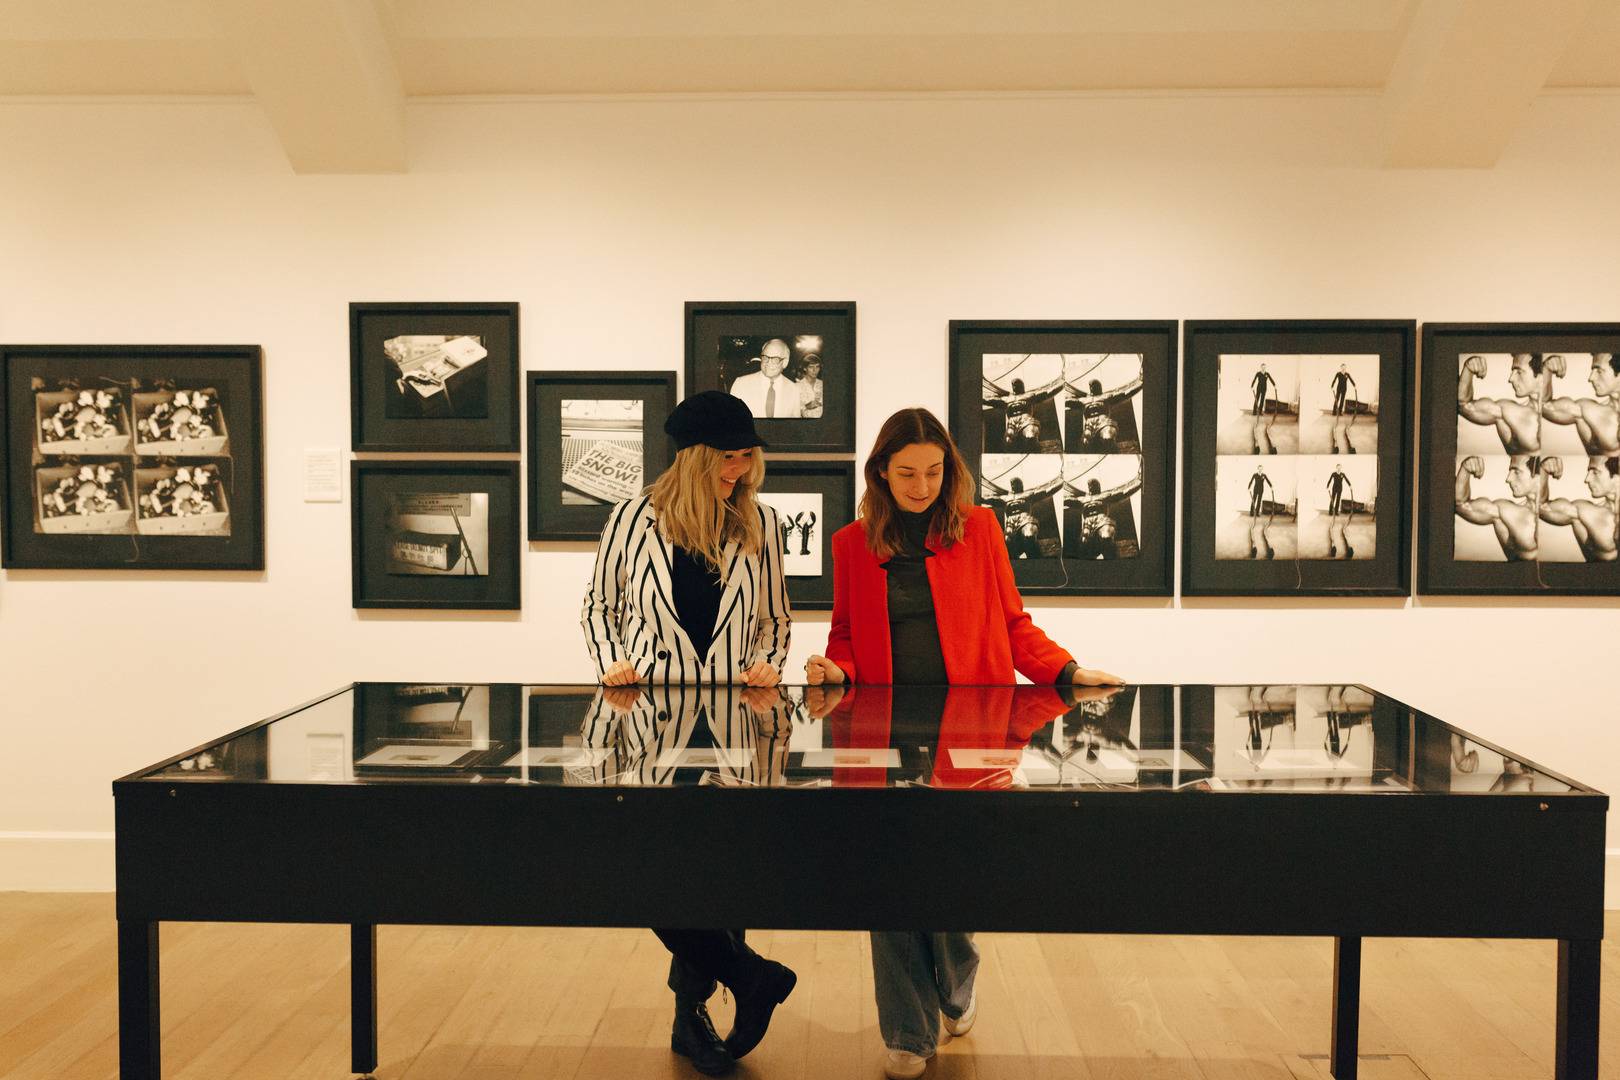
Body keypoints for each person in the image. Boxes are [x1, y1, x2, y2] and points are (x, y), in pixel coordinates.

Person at [799, 407, 1121, 1080]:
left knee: (950, 879)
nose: (922, 487)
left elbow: (1014, 622)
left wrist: (1066, 672)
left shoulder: (980, 530)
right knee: (888, 884)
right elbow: (846, 636)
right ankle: (908, 1034)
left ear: (950, 471)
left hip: (972, 730)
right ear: (880, 473)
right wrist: (836, 670)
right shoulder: (852, 543)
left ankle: (956, 981)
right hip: (883, 733)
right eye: (907, 474)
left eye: (934, 472)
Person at [579, 389, 795, 1076]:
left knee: (722, 872)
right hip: (649, 717)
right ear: (695, 458)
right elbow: (599, 606)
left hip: (736, 717)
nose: (740, 470)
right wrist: (610, 659)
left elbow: (776, 618)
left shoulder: (761, 522)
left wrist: (770, 662)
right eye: (728, 458)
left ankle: (692, 1019)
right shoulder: (630, 519)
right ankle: (748, 975)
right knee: (651, 870)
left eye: (747, 457)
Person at [1454, 454, 1539, 561]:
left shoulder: (1556, 509)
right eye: (1510, 471)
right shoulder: (1506, 512)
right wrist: (1465, 470)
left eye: (1516, 472)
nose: (1508, 479)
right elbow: (1460, 505)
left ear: (1538, 476)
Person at [1458, 353, 1547, 453]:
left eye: (1519, 372)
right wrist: (1468, 369)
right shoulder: (1507, 411)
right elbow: (1463, 405)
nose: (1511, 379)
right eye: (1513, 371)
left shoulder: (1557, 408)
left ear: (1541, 377)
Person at [1537, 455, 1618, 562]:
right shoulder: (1585, 512)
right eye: (1589, 472)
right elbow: (1539, 507)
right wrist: (1542, 470)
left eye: (1595, 472)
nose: (1587, 479)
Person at [1541, 353, 1620, 454]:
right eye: (1593, 371)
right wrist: (1546, 370)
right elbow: (1543, 406)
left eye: (1599, 371)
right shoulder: (1588, 411)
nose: (1591, 378)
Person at [728, 338, 803, 418]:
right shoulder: (741, 384)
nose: (768, 363)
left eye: (775, 359)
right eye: (765, 357)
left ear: (785, 362)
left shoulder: (794, 389)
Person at [1246, 464, 1276, 559]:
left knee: (1259, 502)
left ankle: (1257, 513)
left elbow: (1268, 481)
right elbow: (1251, 481)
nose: (1260, 470)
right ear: (1257, 469)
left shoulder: (1264, 475)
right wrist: (1249, 487)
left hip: (1261, 490)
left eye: (1261, 469)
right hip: (1255, 489)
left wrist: (1271, 486)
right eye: (1259, 469)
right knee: (1253, 501)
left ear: (1262, 469)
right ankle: (1252, 512)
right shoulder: (1255, 475)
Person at [1324, 463, 1354, 559]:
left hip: (1340, 489)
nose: (1339, 469)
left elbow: (1347, 480)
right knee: (1332, 500)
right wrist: (1327, 486)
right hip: (1334, 488)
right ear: (1336, 468)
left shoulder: (1342, 474)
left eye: (1340, 468)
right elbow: (1329, 480)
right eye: (1338, 467)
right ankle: (1331, 511)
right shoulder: (1333, 474)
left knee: (1338, 501)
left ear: (1341, 468)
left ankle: (1336, 511)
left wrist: (1350, 485)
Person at [1328, 363, 1359, 454]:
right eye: (1342, 368)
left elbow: (1351, 380)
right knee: (1337, 400)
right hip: (1338, 388)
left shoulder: (1347, 374)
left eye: (1344, 368)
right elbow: (1334, 380)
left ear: (1345, 368)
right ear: (1340, 368)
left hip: (1344, 389)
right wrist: (1332, 386)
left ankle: (1340, 412)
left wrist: (1354, 385)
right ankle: (1334, 411)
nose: (1343, 369)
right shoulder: (1338, 374)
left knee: (1342, 401)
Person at [1250, 363, 1279, 453]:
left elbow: (1271, 379)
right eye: (1262, 367)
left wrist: (1274, 385)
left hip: (1264, 388)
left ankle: (1260, 411)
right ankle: (1254, 411)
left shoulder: (1267, 374)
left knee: (1262, 400)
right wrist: (1252, 385)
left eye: (1264, 367)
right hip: (1259, 388)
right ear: (1261, 367)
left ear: (1265, 368)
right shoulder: (1258, 373)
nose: (1263, 368)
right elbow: (1254, 379)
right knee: (1257, 399)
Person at [797, 353, 825, 418]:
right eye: (811, 367)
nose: (814, 370)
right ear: (805, 368)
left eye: (817, 367)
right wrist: (806, 406)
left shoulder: (823, 384)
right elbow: (791, 410)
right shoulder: (797, 387)